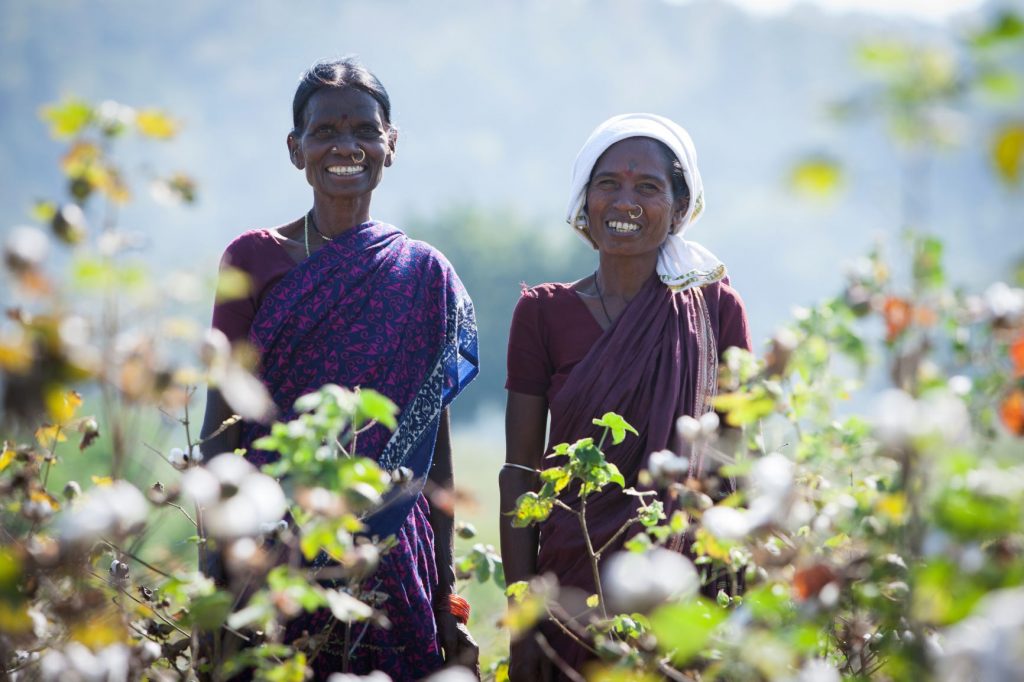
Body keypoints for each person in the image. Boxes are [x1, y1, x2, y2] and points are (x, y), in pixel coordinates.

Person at [199, 58, 480, 679]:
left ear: (391, 144)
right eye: (325, 132)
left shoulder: (423, 274)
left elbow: (434, 454)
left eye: (364, 130)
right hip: (271, 546)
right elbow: (221, 425)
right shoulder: (253, 259)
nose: (346, 147)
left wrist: (444, 594)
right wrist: (215, 578)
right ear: (295, 149)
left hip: (389, 553)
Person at [500, 113, 752, 679]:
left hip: (683, 584)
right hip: (570, 586)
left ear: (680, 206)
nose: (625, 202)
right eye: (608, 184)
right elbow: (519, 470)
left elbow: (734, 467)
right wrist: (524, 619)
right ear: (584, 201)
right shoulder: (542, 314)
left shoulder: (717, 312)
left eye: (647, 187)